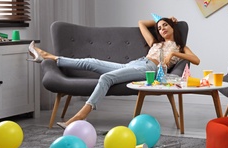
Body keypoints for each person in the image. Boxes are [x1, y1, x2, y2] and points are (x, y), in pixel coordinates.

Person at [28, 16, 200, 128]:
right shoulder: (154, 43)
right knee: (91, 62)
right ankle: (48, 57)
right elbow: (141, 23)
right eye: (160, 27)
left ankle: (82, 115)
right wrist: (163, 19)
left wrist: (174, 53)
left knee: (106, 77)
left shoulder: (180, 47)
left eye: (165, 25)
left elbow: (196, 60)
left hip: (148, 69)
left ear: (173, 27)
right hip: (136, 63)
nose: (162, 29)